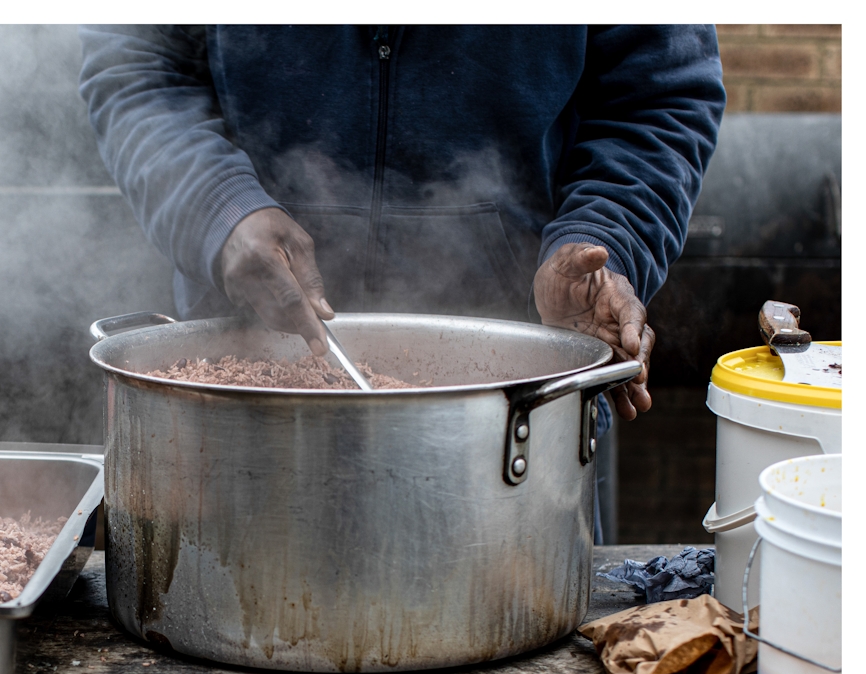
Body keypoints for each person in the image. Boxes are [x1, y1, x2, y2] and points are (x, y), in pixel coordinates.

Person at [78, 25, 726, 424]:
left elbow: (659, 95)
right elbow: (137, 68)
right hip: (240, 389)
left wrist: (604, 238)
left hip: (519, 412)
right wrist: (216, 206)